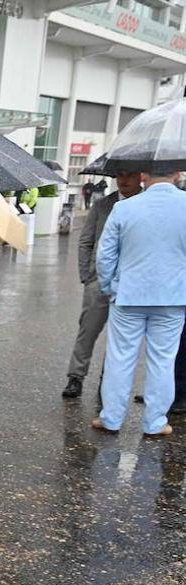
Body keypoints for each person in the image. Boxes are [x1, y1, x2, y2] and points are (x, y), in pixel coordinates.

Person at [94, 171, 186, 437]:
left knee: (120, 358)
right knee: (163, 361)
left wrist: (110, 286)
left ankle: (111, 418)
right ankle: (155, 422)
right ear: (178, 175)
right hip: (173, 297)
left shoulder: (124, 208)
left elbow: (105, 254)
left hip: (128, 294)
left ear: (144, 175)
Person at [63, 172, 143, 398]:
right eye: (120, 176)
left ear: (141, 177)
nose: (124, 181)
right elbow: (86, 241)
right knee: (87, 330)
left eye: (130, 176)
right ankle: (75, 377)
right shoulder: (102, 205)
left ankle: (108, 381)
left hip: (131, 282)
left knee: (122, 337)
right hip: (97, 280)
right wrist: (86, 275)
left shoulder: (145, 205)